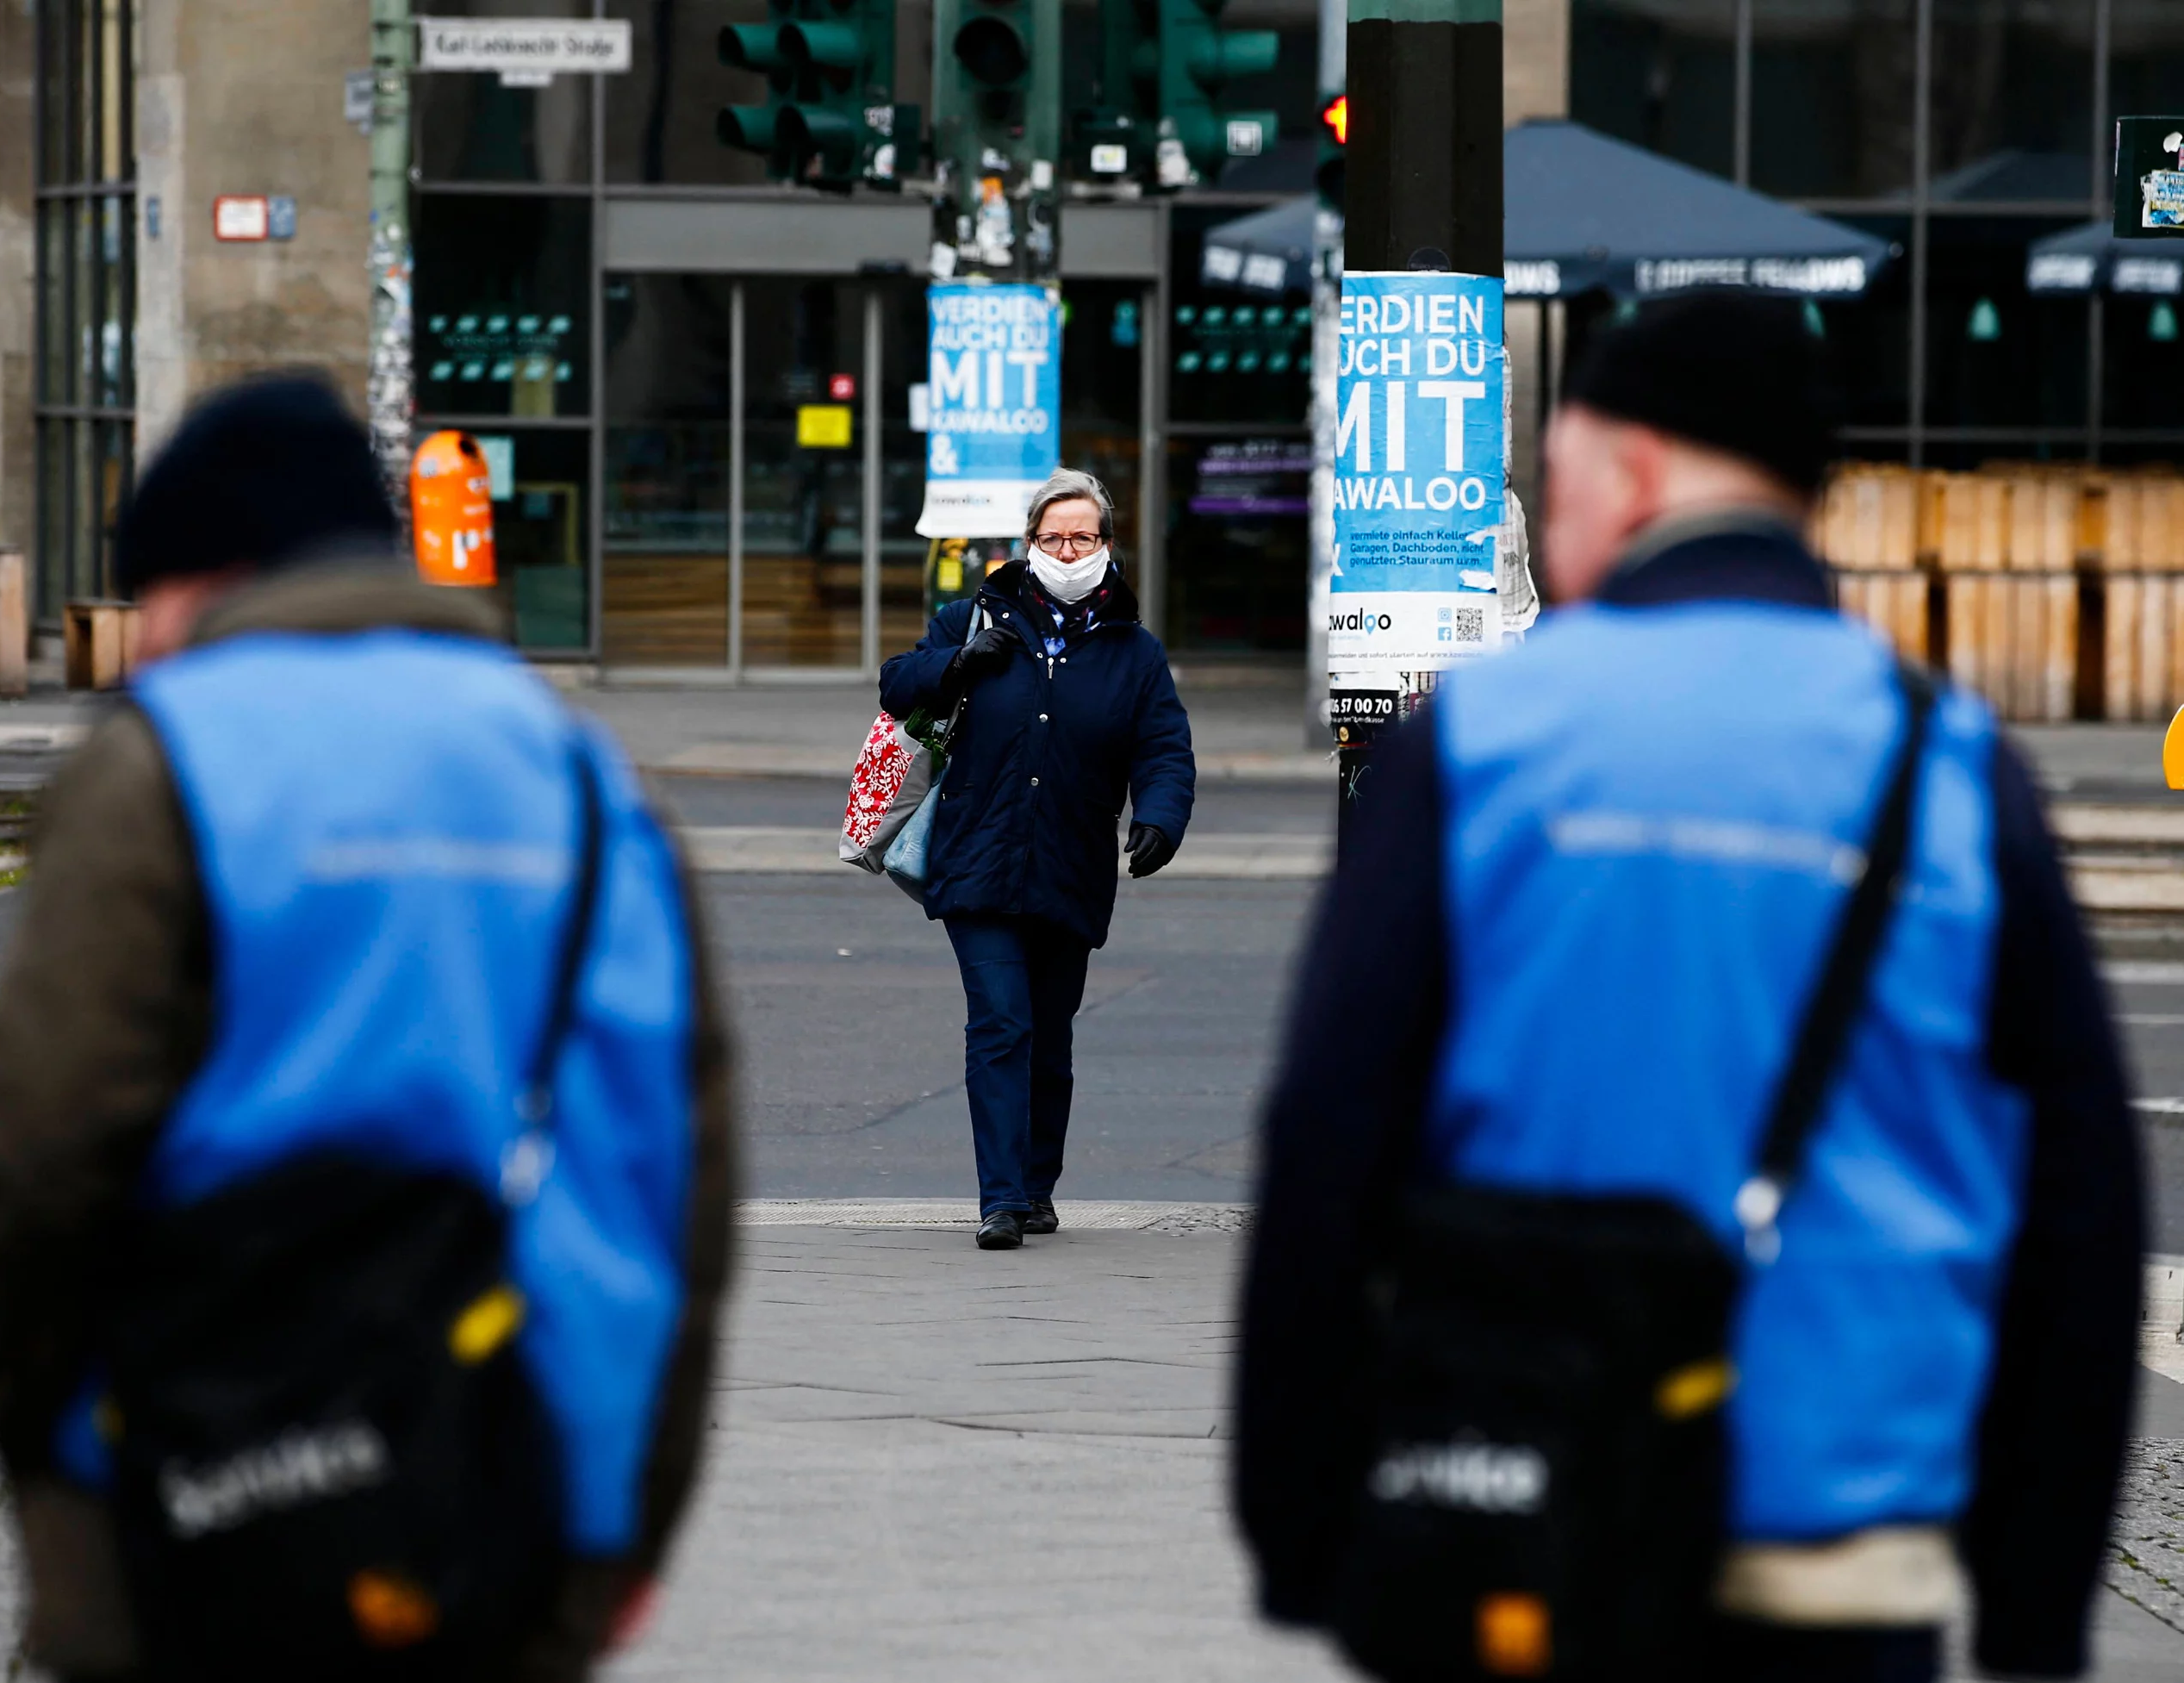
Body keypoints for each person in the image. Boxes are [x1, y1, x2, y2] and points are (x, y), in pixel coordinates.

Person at [1234, 290, 2143, 1680]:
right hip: (1838, 1545)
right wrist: (2034, 1601)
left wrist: (1302, 1526)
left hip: (1530, 1516)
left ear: (1634, 465)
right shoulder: (1951, 764)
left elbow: (1326, 1135)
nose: (1550, 512)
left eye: (1556, 474)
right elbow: (2083, 1199)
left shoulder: (1480, 739)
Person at [0, 377, 735, 1682]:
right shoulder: (581, 774)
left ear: (202, 578)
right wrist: (626, 1528)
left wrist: (52, 1472)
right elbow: (677, 1182)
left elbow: (45, 1152)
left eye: (141, 598)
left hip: (188, 1484)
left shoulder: (158, 762)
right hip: (518, 1480)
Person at [880, 469, 1195, 1250]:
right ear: (1030, 544)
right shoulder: (975, 616)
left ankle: (1038, 1184)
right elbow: (895, 684)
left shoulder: (1134, 651)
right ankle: (1001, 1198)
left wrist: (1159, 816)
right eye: (1052, 537)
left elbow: (1164, 748)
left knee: (1049, 1037)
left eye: (1082, 537)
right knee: (1000, 1022)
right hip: (977, 858)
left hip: (1070, 863)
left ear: (1106, 546)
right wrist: (957, 662)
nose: (1066, 549)